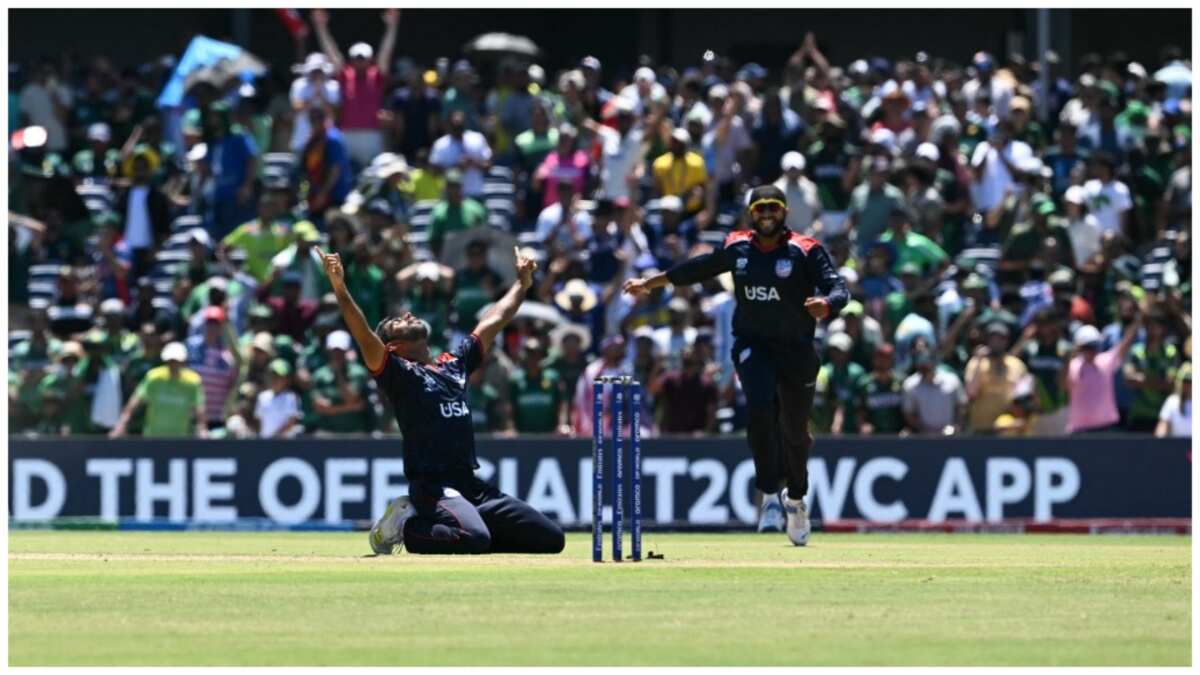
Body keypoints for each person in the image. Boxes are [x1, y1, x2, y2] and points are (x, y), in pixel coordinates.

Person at [623, 184, 848, 546]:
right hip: (753, 344)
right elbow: (700, 267)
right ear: (751, 214)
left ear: (784, 212)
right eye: (760, 209)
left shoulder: (806, 250)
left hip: (797, 349)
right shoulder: (738, 246)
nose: (767, 215)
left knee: (793, 431)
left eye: (773, 208)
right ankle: (770, 497)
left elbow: (838, 287)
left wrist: (828, 303)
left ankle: (796, 499)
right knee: (759, 409)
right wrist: (653, 283)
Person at [320, 244, 564, 555]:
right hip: (433, 487)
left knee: (551, 539)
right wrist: (339, 286)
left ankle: (471, 532)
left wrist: (522, 284)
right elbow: (362, 332)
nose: (408, 314)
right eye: (398, 322)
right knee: (474, 539)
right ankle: (406, 525)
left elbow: (494, 320)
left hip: (470, 485)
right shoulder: (398, 374)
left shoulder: (454, 364)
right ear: (392, 347)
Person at [309, 8, 399, 168]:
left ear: (370, 59)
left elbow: (386, 53)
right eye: (356, 58)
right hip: (347, 133)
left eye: (363, 58)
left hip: (371, 134)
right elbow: (331, 53)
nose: (360, 61)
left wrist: (392, 27)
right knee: (346, 174)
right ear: (351, 60)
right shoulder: (345, 75)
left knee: (373, 176)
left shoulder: (376, 76)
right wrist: (321, 27)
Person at [109, 342, 206, 438]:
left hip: (180, 438)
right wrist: (121, 424)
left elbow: (199, 408)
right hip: (153, 437)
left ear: (183, 361)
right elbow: (135, 402)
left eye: (176, 361)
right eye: (170, 361)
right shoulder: (154, 377)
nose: (173, 364)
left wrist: (202, 429)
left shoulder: (193, 381)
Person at [1064, 318, 1141, 434]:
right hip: (1078, 431)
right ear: (1079, 347)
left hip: (1106, 429)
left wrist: (1139, 319)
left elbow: (1125, 342)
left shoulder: (1105, 362)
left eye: (1094, 346)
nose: (1091, 351)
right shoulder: (1071, 367)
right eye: (1086, 347)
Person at [1155, 364, 1192, 438]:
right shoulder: (1172, 401)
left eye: (1190, 382)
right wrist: (1158, 442)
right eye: (1185, 381)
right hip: (1177, 447)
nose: (1188, 385)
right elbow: (1162, 427)